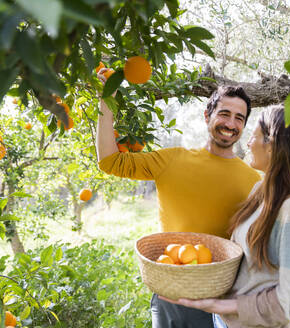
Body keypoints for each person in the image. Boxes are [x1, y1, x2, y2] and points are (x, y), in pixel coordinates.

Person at [96, 68, 261, 328]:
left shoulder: (254, 181)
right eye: (224, 114)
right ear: (207, 115)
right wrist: (106, 100)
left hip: (221, 300)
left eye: (239, 118)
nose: (231, 124)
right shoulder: (171, 160)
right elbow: (109, 160)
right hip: (169, 293)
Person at [160, 106, 290, 328]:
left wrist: (225, 306)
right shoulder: (260, 190)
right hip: (225, 322)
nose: (247, 143)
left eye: (254, 136)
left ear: (272, 145)